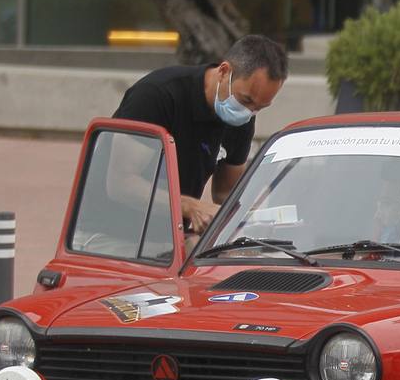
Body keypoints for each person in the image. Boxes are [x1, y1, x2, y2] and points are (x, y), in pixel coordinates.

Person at [113, 35, 288, 233]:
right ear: (224, 71)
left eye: (260, 107)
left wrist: (256, 214)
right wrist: (191, 207)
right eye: (246, 99)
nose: (250, 112)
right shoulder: (157, 95)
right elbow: (121, 183)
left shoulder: (243, 117)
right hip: (111, 235)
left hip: (172, 238)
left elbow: (225, 191)